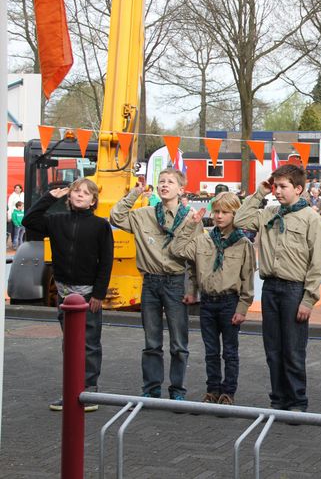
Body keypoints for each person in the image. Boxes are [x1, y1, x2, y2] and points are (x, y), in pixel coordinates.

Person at [235, 165, 321, 413]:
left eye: (283, 186)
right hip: (271, 289)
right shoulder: (268, 213)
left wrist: (308, 299)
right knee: (273, 349)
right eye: (275, 186)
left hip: (294, 290)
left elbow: (318, 264)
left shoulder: (311, 219)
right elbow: (240, 219)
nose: (277, 191)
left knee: (293, 350)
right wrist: (259, 193)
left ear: (298, 189)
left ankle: (297, 401)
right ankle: (278, 400)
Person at [22, 179, 113, 412]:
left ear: (93, 200)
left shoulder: (100, 226)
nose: (80, 195)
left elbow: (106, 262)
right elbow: (29, 220)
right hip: (64, 293)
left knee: (90, 343)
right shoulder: (55, 220)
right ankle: (71, 390)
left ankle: (90, 390)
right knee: (70, 344)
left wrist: (99, 294)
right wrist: (50, 197)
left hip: (88, 294)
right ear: (69, 197)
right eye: (76, 192)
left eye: (86, 193)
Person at [110, 168, 201, 400]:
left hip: (176, 281)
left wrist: (193, 290)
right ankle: (151, 389)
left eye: (170, 182)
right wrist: (135, 193)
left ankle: (178, 390)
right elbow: (116, 216)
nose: (164, 185)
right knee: (151, 341)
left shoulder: (191, 218)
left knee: (179, 343)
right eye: (161, 181)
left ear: (181, 189)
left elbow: (196, 257)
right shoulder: (144, 214)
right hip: (150, 282)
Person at [169, 192, 256, 406]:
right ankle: (212, 390)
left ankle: (228, 392)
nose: (219, 216)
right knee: (211, 351)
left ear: (235, 214)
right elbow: (177, 249)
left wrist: (242, 307)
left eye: (225, 212)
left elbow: (247, 278)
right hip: (208, 302)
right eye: (216, 211)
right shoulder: (203, 240)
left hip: (229, 302)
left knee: (230, 351)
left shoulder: (243, 244)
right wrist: (190, 225)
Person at [7, 184, 24, 249]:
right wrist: (9, 215)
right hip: (15, 214)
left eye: (18, 188)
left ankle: (21, 245)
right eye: (15, 188)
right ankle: (14, 245)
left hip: (22, 214)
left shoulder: (23, 194)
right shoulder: (12, 196)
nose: (16, 189)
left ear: (20, 189)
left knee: (22, 233)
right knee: (15, 231)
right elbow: (9, 206)